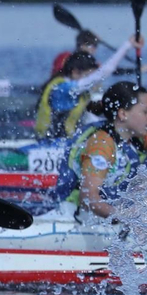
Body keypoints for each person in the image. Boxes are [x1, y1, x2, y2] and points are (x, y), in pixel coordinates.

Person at [55, 80, 147, 221]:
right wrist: (126, 217)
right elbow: (88, 198)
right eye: (145, 112)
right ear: (123, 114)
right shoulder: (101, 145)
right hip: (76, 219)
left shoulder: (135, 143)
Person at [34, 35, 140, 140]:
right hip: (50, 142)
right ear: (75, 72)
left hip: (62, 141)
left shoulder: (77, 92)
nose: (92, 81)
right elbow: (104, 72)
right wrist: (127, 45)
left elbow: (91, 118)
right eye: (89, 76)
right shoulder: (65, 89)